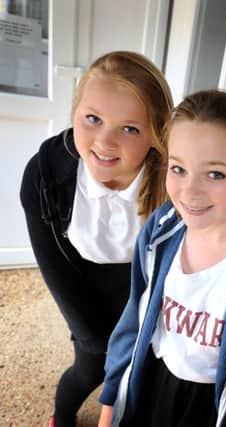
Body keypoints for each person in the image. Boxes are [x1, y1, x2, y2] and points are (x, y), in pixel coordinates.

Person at [97, 89, 226, 427]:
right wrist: (109, 404)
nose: (190, 191)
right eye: (178, 169)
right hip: (149, 382)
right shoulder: (160, 231)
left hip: (207, 407)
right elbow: (133, 320)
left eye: (215, 174)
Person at [19, 51, 173, 427]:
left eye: (130, 128)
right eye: (93, 119)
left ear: (156, 135)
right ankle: (63, 416)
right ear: (75, 113)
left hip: (140, 282)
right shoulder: (43, 175)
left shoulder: (172, 179)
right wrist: (93, 338)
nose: (105, 141)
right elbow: (54, 267)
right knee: (92, 367)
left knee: (142, 367)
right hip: (80, 279)